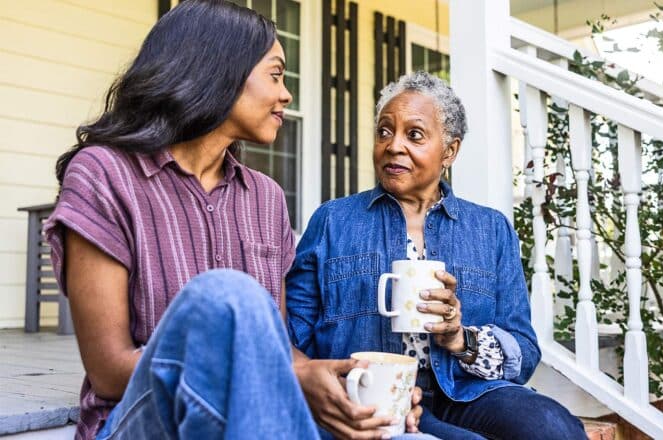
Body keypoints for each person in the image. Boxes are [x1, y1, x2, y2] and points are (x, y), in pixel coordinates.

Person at [44, 1, 426, 439]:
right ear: (219, 70)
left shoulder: (265, 197)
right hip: (138, 420)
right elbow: (109, 370)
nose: (286, 95)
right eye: (276, 74)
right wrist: (282, 375)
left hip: (243, 417)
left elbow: (281, 351)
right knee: (226, 295)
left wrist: (334, 385)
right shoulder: (104, 174)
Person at [286, 71, 587, 439]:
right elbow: (292, 337)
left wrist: (461, 339)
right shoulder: (333, 221)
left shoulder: (490, 229)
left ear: (450, 151)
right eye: (384, 131)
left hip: (466, 393)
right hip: (372, 395)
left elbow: (523, 352)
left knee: (553, 428)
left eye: (414, 135)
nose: (393, 145)